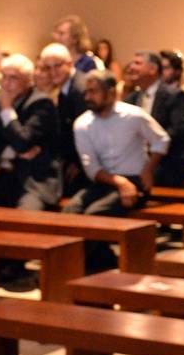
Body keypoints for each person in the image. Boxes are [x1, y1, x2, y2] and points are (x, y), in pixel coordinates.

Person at [66, 70, 169, 270]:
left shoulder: (133, 116)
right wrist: (119, 183)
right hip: (103, 181)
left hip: (136, 179)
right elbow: (91, 167)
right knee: (70, 212)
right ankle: (102, 262)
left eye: (94, 92)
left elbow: (161, 140)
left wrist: (149, 169)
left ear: (111, 92)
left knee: (95, 215)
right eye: (86, 92)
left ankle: (69, 267)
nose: (88, 97)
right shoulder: (83, 123)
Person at [0, 54, 61, 210]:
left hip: (31, 181)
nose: (5, 83)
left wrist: (7, 111)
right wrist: (9, 152)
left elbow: (23, 142)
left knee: (26, 217)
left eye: (13, 78)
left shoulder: (42, 104)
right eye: (3, 77)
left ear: (28, 81)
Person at [124, 50, 184, 186]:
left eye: (138, 63)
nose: (131, 67)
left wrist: (153, 145)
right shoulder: (131, 98)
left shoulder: (174, 96)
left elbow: (178, 130)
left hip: (165, 165)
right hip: (135, 162)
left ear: (153, 69)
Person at [38, 43, 88, 196]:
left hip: (84, 164)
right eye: (47, 67)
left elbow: (86, 130)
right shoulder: (66, 85)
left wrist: (79, 162)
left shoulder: (81, 88)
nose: (53, 72)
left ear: (70, 63)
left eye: (57, 66)